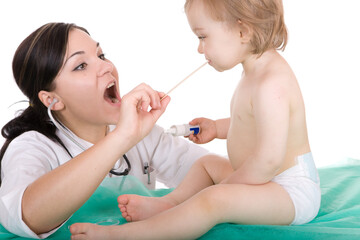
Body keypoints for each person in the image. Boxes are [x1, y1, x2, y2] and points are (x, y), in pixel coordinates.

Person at [70, 0, 321, 239]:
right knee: (207, 163)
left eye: (203, 37)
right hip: (264, 179)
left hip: (290, 192)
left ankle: (121, 236)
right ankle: (169, 205)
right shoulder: (255, 71)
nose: (200, 48)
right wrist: (217, 127)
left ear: (242, 31)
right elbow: (255, 124)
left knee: (213, 200)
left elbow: (268, 160)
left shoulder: (271, 84)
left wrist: (226, 187)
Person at [0, 22, 213, 239]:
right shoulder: (31, 146)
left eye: (101, 56)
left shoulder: (144, 134)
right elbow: (26, 216)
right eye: (81, 65)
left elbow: (212, 174)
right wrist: (122, 137)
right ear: (52, 99)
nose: (107, 67)